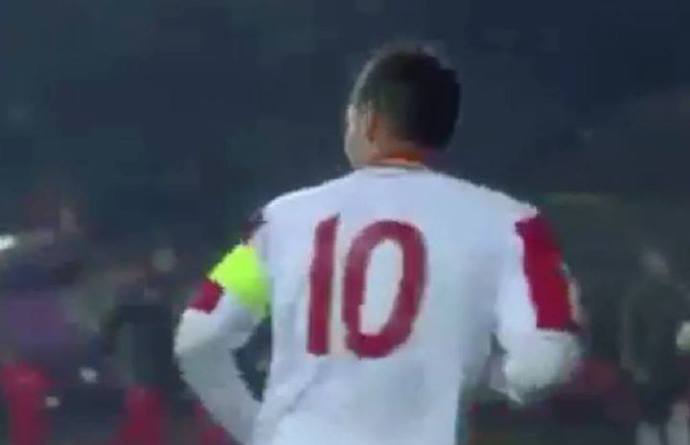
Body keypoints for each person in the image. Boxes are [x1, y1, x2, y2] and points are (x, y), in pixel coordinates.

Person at [174, 43, 582, 445]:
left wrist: (260, 433)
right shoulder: (512, 224)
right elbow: (543, 363)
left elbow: (198, 337)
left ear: (367, 119)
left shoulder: (278, 223)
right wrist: (489, 378)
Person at [621, 248, 690, 445]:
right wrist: (633, 364)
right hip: (651, 367)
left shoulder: (678, 294)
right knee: (651, 418)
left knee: (675, 415)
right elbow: (629, 332)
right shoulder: (637, 297)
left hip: (674, 365)